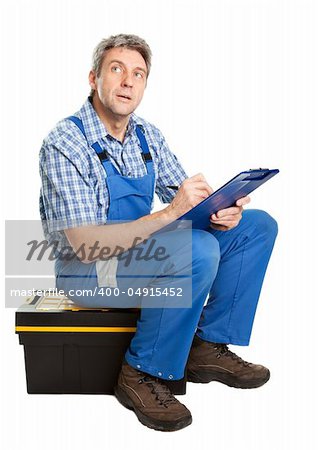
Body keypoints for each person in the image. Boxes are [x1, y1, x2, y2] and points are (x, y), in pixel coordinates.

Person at [39, 34, 278, 432]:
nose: (128, 81)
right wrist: (172, 213)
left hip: (133, 257)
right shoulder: (64, 143)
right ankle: (141, 372)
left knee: (256, 227)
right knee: (196, 249)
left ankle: (206, 346)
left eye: (139, 74)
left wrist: (221, 211)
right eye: (117, 69)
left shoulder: (146, 135)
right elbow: (84, 245)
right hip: (85, 273)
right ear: (93, 77)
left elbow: (185, 208)